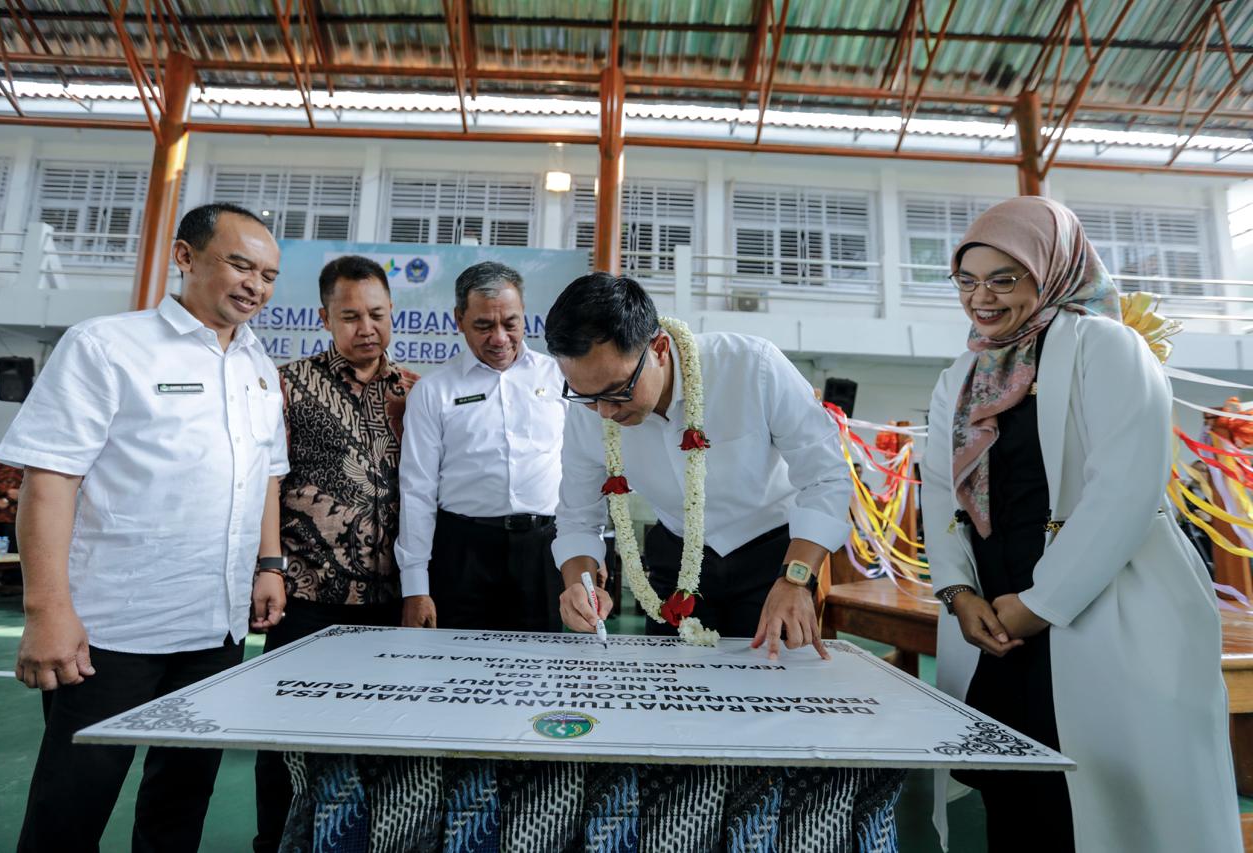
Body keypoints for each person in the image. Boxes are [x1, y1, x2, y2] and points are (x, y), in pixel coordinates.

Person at [921, 195, 1240, 852]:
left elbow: (1126, 488)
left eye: (1004, 279)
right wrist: (958, 592)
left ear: (1053, 270)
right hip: (995, 621)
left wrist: (1040, 603)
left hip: (1091, 607)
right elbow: (937, 490)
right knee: (1014, 794)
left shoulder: (1110, 347)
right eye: (967, 280)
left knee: (1104, 808)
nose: (982, 298)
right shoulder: (962, 375)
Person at [0, 202, 289, 853]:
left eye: (268, 274)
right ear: (184, 257)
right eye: (240, 264)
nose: (255, 286)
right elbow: (50, 480)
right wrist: (47, 609)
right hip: (110, 632)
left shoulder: (256, 365)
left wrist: (269, 563)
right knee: (72, 805)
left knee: (180, 802)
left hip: (213, 627)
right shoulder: (106, 345)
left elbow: (268, 471)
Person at [546, 273, 853, 657]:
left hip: (773, 559)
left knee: (772, 691)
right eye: (587, 396)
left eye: (618, 391)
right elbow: (577, 514)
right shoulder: (588, 411)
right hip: (673, 561)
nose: (605, 412)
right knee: (670, 692)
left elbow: (826, 475)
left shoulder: (750, 367)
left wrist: (795, 580)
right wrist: (578, 583)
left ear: (658, 348)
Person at [252, 255, 419, 852]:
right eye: (350, 316)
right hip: (308, 600)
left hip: (390, 605)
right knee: (286, 743)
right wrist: (269, 563)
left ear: (392, 313)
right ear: (325, 317)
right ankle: (274, 842)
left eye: (376, 314)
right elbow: (266, 480)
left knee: (380, 741)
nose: (365, 328)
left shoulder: (416, 391)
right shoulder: (287, 385)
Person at [396, 261, 566, 631]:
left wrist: (592, 552)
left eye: (511, 323)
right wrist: (415, 586)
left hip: (544, 550)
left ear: (525, 316)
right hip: (462, 552)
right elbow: (417, 490)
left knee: (541, 672)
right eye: (484, 326)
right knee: (453, 669)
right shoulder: (434, 390)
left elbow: (586, 468)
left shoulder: (559, 378)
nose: (500, 338)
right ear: (459, 319)